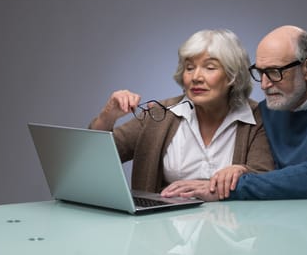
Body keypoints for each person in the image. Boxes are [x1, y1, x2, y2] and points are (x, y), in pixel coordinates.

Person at [172, 25, 307, 201]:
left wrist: (235, 187)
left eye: (275, 72)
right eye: (260, 72)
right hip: (281, 230)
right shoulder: (268, 110)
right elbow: (268, 170)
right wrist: (244, 170)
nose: (265, 84)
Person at [89, 29, 274, 196]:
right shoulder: (159, 114)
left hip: (232, 228)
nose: (196, 77)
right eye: (189, 68)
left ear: (233, 76)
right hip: (161, 228)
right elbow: (94, 158)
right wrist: (108, 116)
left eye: (210, 67)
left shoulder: (258, 117)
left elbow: (265, 176)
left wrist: (242, 171)